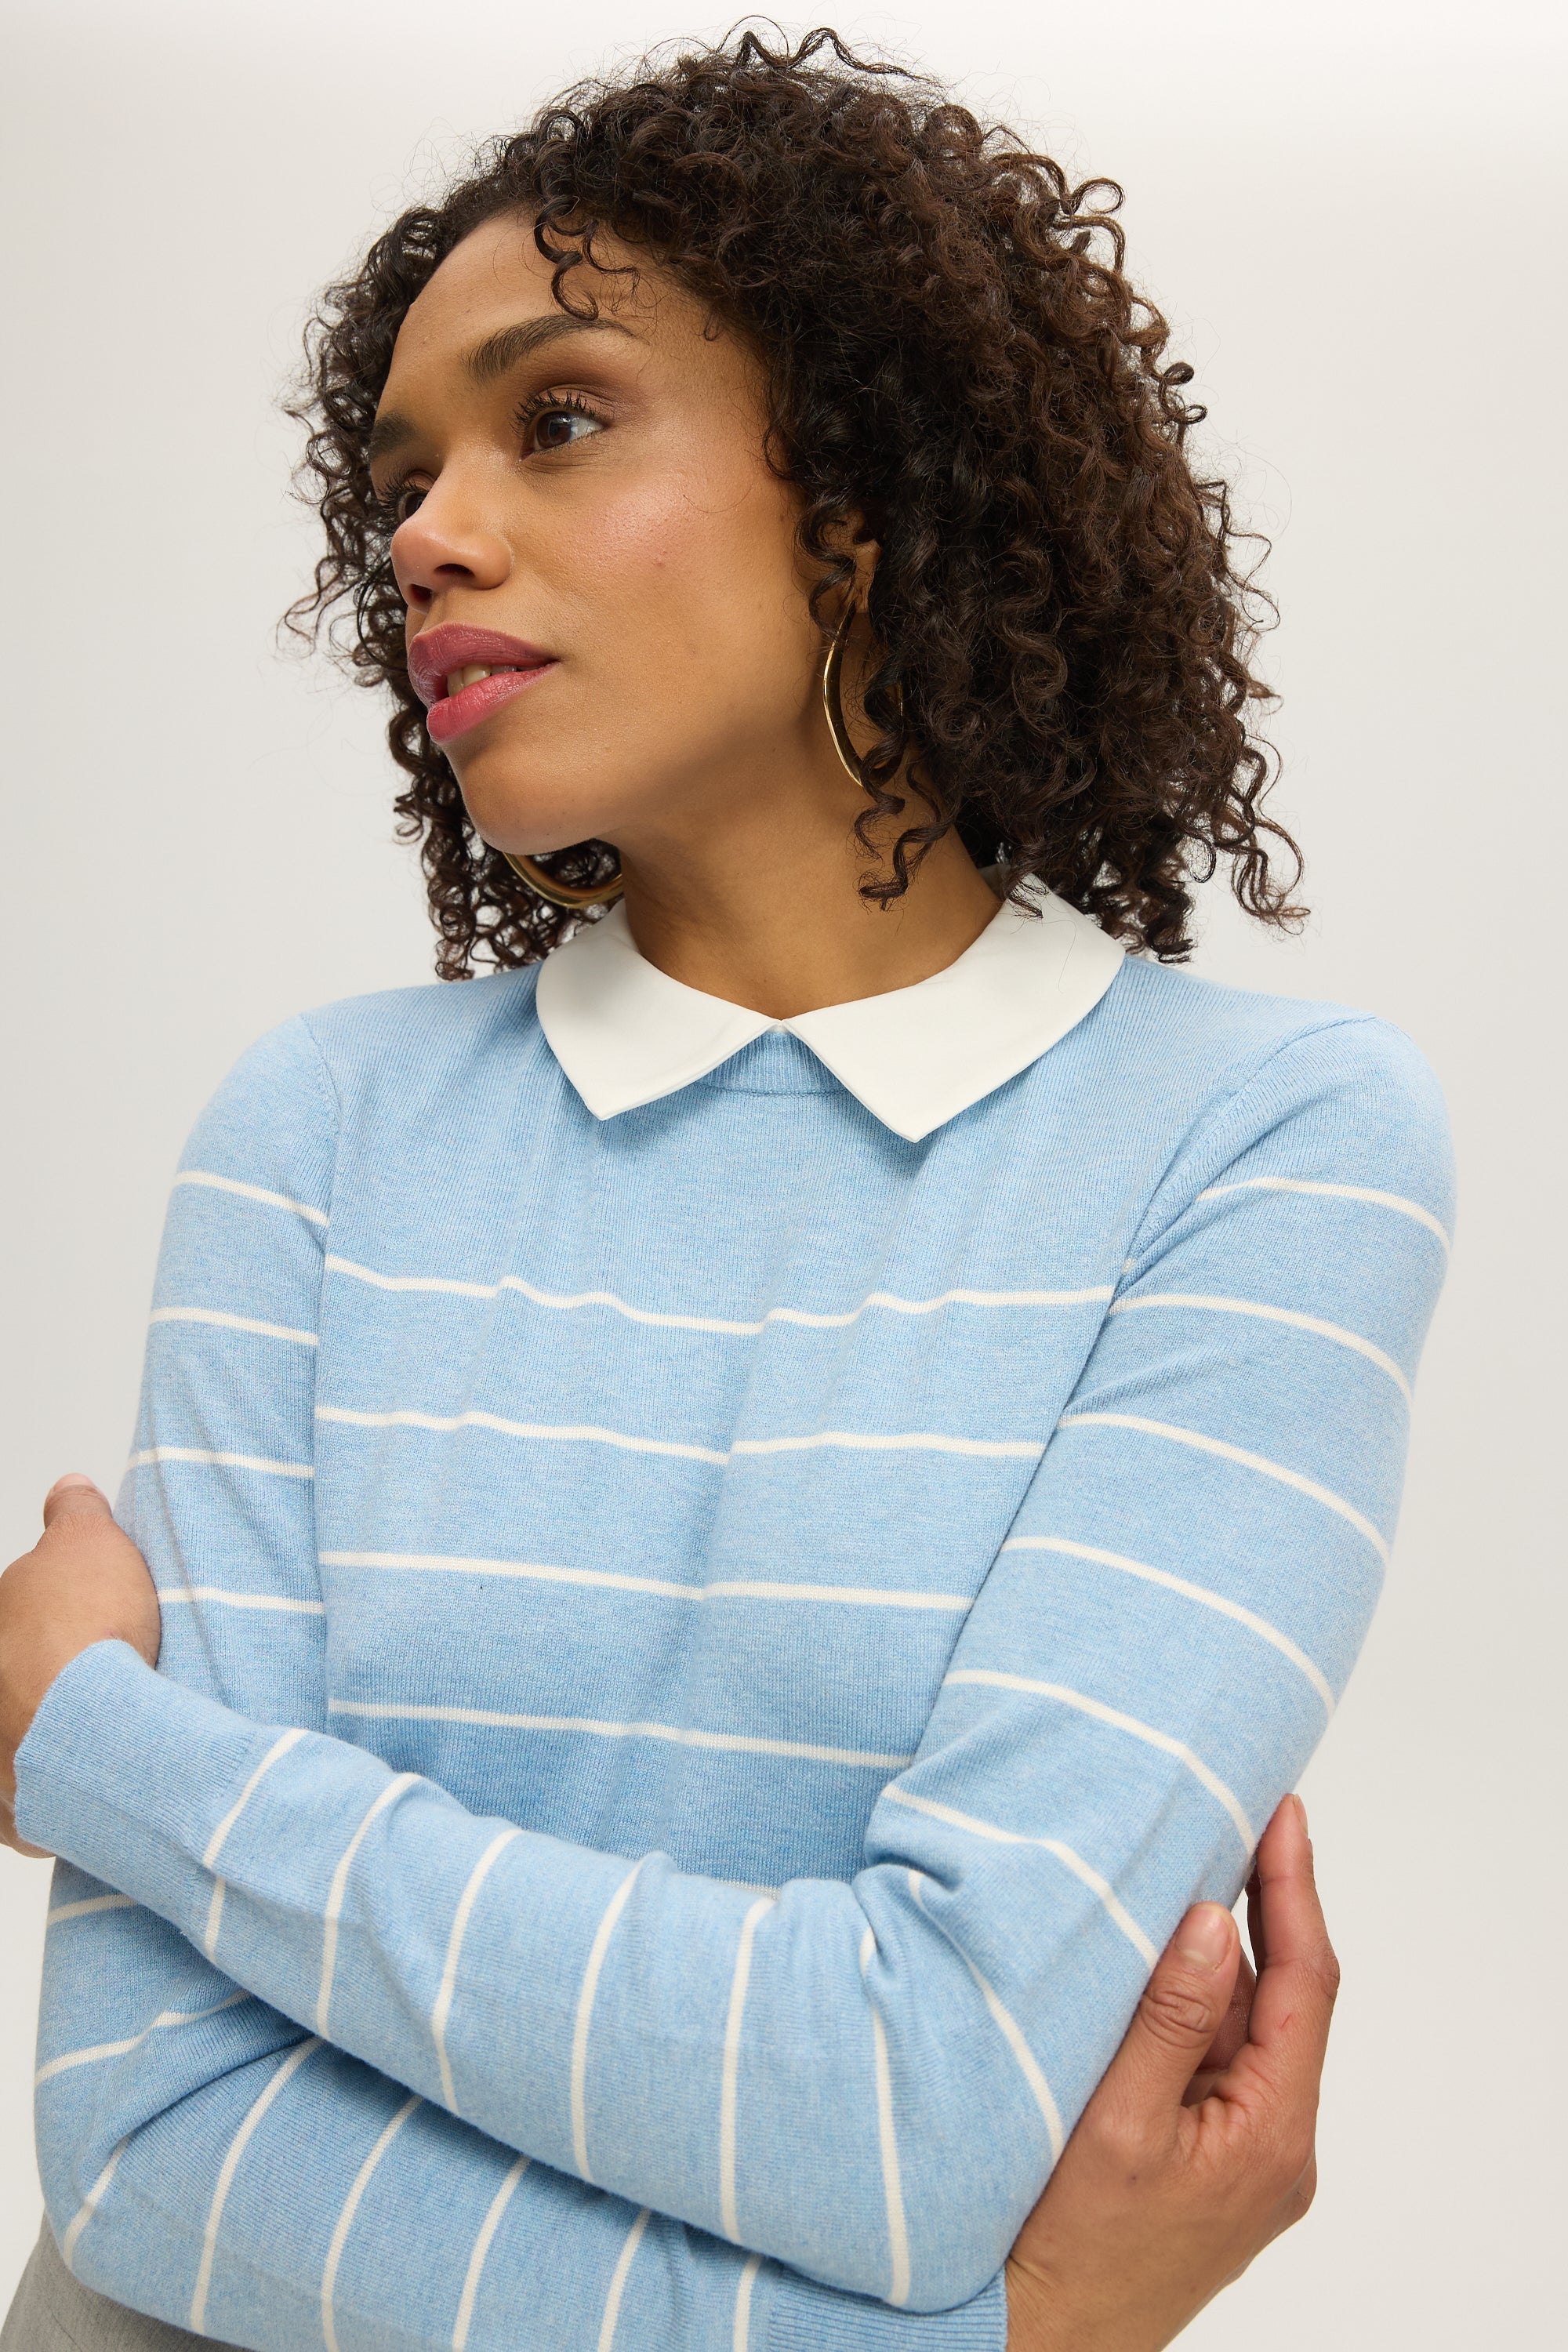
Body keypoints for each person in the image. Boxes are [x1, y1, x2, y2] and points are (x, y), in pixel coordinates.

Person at [0, 27, 1448, 2352]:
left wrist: (107, 1748)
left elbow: (916, 2097)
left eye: (554, 417)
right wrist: (996, 2338)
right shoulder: (323, 1130)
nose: (427, 532)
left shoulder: (1265, 1146)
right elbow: (155, 2149)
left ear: (870, 493)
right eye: (401, 470)